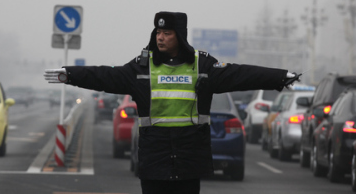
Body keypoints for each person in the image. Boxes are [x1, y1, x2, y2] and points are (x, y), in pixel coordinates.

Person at [44, 11, 300, 194]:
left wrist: (279, 78)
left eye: (167, 33)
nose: (160, 37)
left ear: (180, 36)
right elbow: (105, 75)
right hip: (154, 159)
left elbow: (241, 74)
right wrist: (70, 74)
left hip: (189, 159)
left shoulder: (202, 66)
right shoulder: (141, 68)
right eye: (158, 32)